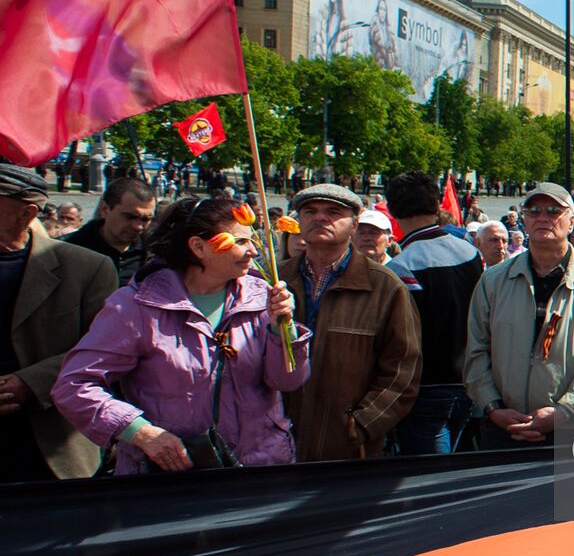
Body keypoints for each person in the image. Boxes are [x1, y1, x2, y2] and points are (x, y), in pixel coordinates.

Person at [53, 197, 311, 474]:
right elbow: (74, 386)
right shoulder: (137, 306)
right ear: (198, 247)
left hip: (259, 470)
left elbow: (289, 380)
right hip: (171, 474)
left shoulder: (263, 297)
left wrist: (282, 328)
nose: (252, 251)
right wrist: (140, 433)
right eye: (239, 242)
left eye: (252, 241)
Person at [464, 182, 574, 447]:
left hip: (573, 432)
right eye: (533, 211)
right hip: (503, 428)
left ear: (571, 221)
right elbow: (476, 350)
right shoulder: (492, 281)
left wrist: (564, 411)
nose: (543, 217)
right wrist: (493, 408)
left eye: (553, 211)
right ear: (524, 220)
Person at [278, 184, 421, 461]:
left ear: (354, 224)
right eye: (310, 211)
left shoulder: (386, 286)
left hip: (347, 451)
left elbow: (403, 371)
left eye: (333, 212)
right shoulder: (272, 280)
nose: (320, 218)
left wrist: (362, 425)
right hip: (273, 444)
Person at [0, 166, 117, 481]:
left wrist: (30, 383)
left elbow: (104, 350)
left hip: (50, 446)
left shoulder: (87, 268)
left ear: (26, 213)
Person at [386, 171, 484, 455]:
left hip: (425, 388)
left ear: (393, 211)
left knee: (430, 479)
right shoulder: (471, 254)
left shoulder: (402, 265)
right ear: (436, 205)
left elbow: (402, 338)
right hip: (470, 382)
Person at [60, 178, 157, 287]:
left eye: (145, 219)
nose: (138, 226)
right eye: (130, 217)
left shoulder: (155, 254)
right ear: (105, 209)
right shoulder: (67, 250)